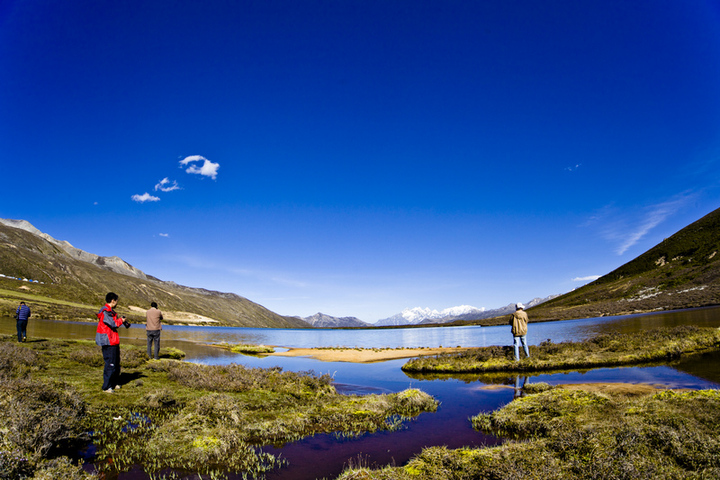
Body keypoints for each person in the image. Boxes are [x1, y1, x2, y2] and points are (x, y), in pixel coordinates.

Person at [95, 292, 129, 393]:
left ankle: (113, 383)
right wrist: (121, 321)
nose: (117, 302)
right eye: (116, 300)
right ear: (113, 300)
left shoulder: (110, 312)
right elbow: (113, 324)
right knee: (110, 364)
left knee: (115, 363)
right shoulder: (105, 312)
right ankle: (106, 387)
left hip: (113, 340)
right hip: (108, 341)